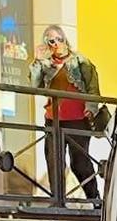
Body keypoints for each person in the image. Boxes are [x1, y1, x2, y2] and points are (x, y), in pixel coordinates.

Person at [29, 26, 104, 203]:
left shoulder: (80, 61)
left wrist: (91, 107)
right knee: (54, 161)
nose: (56, 44)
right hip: (53, 119)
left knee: (80, 163)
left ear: (65, 40)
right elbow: (34, 87)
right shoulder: (46, 65)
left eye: (58, 39)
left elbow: (93, 87)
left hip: (78, 119)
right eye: (51, 41)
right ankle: (58, 201)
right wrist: (37, 62)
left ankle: (95, 199)